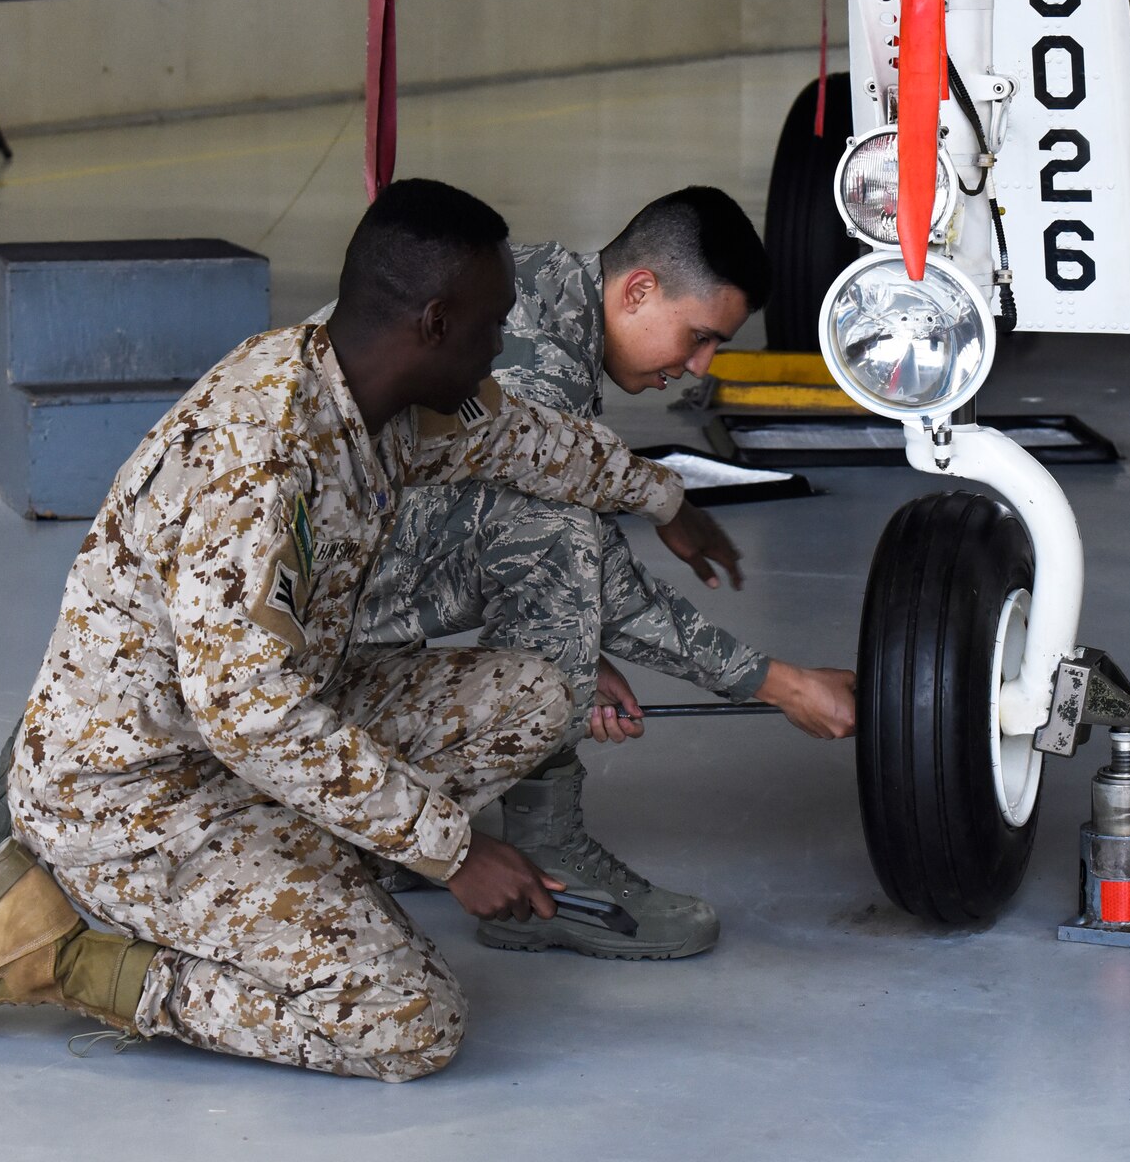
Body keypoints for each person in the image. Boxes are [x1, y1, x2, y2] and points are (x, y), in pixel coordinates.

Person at [0, 180, 705, 1081]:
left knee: (536, 698)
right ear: (436, 322)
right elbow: (253, 718)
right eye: (492, 325)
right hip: (136, 800)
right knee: (410, 1024)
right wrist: (454, 848)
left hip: (240, 749)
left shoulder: (371, 393)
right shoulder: (263, 455)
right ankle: (66, 951)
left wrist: (661, 495)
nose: (500, 348)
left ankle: (294, 877)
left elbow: (519, 440)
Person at [352, 186, 855, 958]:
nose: (698, 367)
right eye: (697, 337)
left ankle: (394, 819)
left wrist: (587, 640)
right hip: (299, 654)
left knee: (555, 545)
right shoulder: (537, 355)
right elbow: (564, 548)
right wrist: (777, 682)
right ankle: (546, 864)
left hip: (348, 602)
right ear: (640, 289)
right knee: (560, 533)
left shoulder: (540, 284)